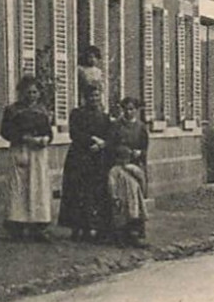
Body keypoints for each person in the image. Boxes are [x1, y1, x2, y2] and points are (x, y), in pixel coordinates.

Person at [0, 76, 54, 241]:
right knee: (19, 187)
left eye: (35, 92)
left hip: (38, 153)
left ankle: (38, 226)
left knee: (38, 187)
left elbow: (48, 132)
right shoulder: (12, 110)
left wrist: (45, 139)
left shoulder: (43, 111)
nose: (31, 95)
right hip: (20, 150)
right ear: (21, 92)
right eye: (28, 92)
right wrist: (23, 138)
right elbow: (5, 131)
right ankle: (17, 225)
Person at [60, 84, 113, 242]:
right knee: (76, 192)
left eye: (97, 96)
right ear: (84, 98)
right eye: (91, 96)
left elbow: (110, 134)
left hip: (96, 158)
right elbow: (74, 133)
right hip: (79, 157)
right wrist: (91, 139)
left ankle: (91, 228)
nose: (94, 99)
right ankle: (76, 228)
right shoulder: (77, 114)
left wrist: (103, 143)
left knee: (93, 193)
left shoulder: (104, 116)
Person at [106, 96, 150, 247]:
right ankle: (121, 235)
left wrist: (140, 153)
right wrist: (121, 152)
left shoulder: (141, 127)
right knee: (122, 201)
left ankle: (135, 234)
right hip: (120, 164)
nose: (129, 112)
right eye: (126, 109)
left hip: (134, 166)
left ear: (136, 110)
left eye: (132, 109)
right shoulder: (117, 126)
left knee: (135, 200)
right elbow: (110, 145)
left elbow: (145, 147)